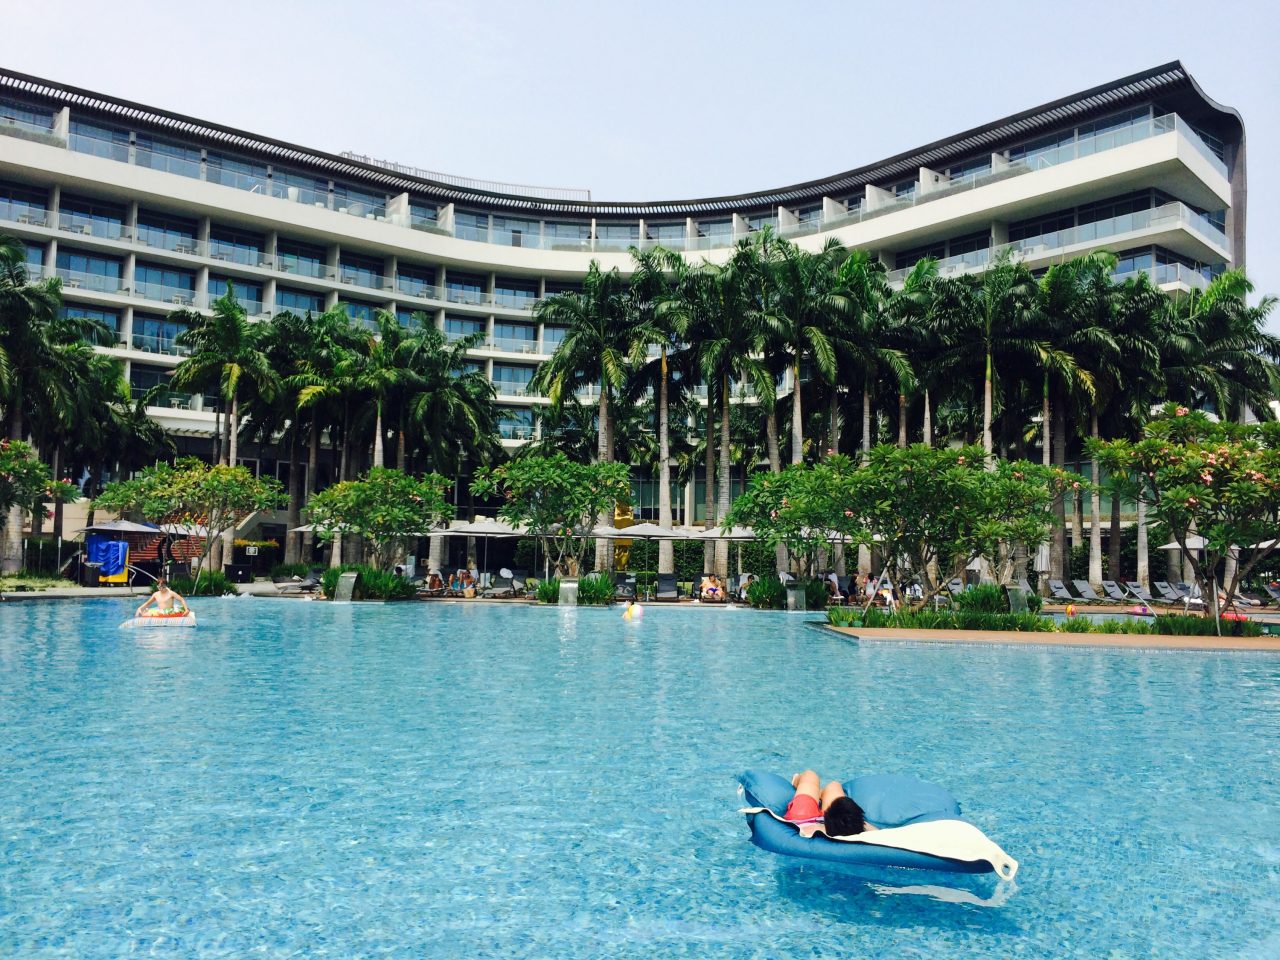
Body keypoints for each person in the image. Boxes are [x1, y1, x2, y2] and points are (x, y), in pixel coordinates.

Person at [783, 770, 875, 838]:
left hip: (804, 817)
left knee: (810, 776)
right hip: (836, 821)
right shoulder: (857, 826)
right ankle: (820, 793)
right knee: (834, 785)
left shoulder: (810, 832)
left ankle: (801, 784)